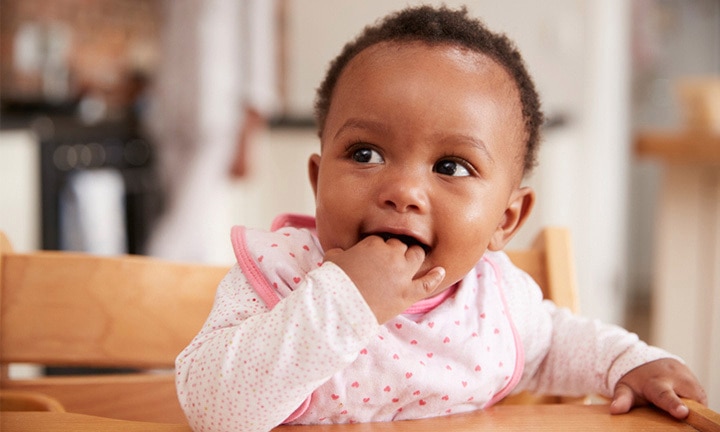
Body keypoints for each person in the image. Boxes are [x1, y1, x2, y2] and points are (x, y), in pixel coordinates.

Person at [175, 5, 707, 431]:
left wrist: (628, 363)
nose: (403, 190)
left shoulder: (494, 303)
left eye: (451, 166)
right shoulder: (280, 277)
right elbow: (213, 410)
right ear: (317, 181)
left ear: (506, 218)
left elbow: (557, 345)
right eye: (365, 154)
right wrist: (344, 299)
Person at [146, 0, 277, 264]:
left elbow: (258, 48)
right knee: (202, 229)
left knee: (175, 233)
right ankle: (198, 300)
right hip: (170, 114)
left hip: (217, 117)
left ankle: (140, 286)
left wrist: (248, 136)